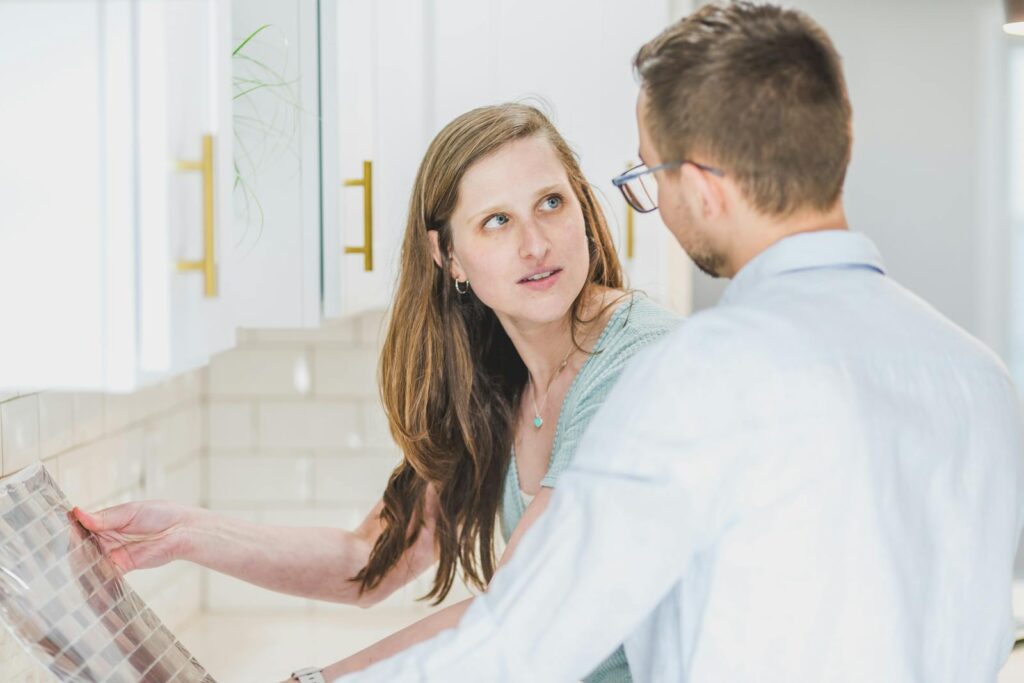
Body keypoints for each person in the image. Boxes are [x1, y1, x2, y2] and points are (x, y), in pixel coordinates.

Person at [333, 3, 1024, 682]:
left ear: (699, 187)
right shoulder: (981, 377)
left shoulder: (692, 374)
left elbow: (522, 641)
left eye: (649, 177)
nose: (654, 204)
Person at [72, 103, 679, 683]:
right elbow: (371, 560)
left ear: (584, 211)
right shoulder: (502, 377)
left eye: (551, 203)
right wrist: (187, 533)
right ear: (448, 257)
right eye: (497, 220)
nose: (536, 243)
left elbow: (518, 611)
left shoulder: (636, 365)